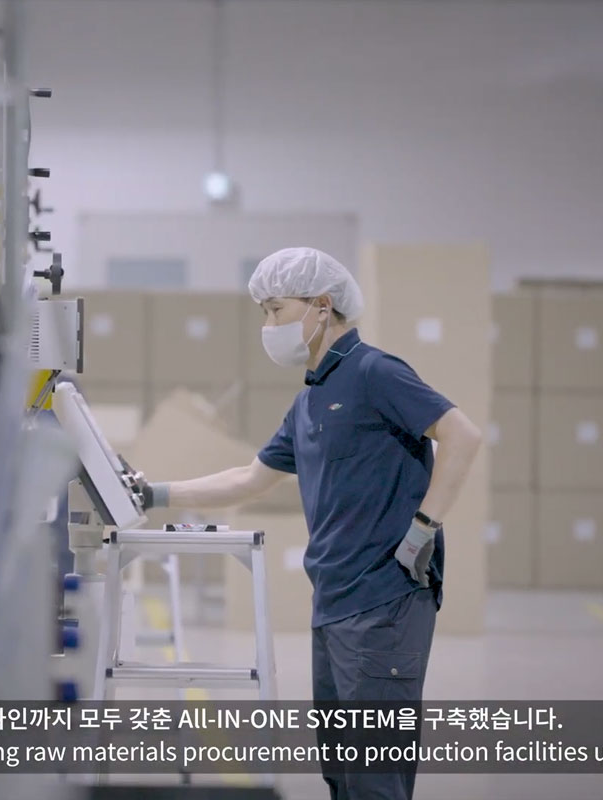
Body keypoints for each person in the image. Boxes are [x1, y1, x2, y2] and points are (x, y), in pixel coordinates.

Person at [142, 246, 481, 799]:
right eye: (264, 313)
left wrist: (425, 527)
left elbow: (462, 435)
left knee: (374, 778)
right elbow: (250, 477)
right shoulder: (310, 402)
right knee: (342, 774)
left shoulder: (375, 372)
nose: (268, 325)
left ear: (322, 306)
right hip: (332, 600)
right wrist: (154, 493)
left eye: (276, 310)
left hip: (384, 601)